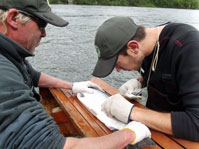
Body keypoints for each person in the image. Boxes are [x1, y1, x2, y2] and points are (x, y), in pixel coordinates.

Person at [0, 1, 151, 148]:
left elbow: (33, 75)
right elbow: (52, 145)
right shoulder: (3, 72)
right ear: (13, 18)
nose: (44, 34)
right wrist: (129, 134)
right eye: (42, 25)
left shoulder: (10, 55)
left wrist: (72, 86)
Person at [92, 16, 199, 142]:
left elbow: (196, 124)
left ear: (133, 47)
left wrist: (132, 112)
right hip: (154, 131)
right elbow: (160, 69)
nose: (118, 70)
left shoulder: (190, 48)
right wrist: (139, 82)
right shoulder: (149, 41)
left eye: (117, 63)